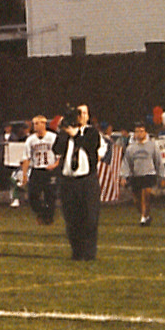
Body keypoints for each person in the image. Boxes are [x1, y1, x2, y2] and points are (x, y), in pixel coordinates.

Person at [52, 105, 103, 261]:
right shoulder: (65, 134)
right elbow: (56, 149)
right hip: (69, 181)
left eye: (83, 113)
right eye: (78, 113)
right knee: (72, 219)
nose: (80, 116)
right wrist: (64, 131)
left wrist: (76, 134)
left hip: (87, 181)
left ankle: (89, 253)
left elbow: (90, 146)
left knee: (89, 218)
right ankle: (77, 251)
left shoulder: (92, 133)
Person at [120, 121, 164, 225]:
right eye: (137, 132)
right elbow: (126, 162)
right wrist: (124, 176)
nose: (139, 134)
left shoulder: (152, 146)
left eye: (141, 131)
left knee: (146, 196)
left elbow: (158, 161)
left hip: (148, 174)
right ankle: (146, 215)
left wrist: (162, 175)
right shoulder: (131, 148)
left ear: (145, 133)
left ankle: (143, 219)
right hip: (136, 175)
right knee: (137, 200)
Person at [20, 116, 59, 225]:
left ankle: (48, 218)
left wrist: (55, 165)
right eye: (35, 124)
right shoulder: (30, 140)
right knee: (32, 196)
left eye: (38, 123)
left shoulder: (53, 137)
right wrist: (24, 174)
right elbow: (26, 158)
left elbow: (60, 154)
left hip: (49, 170)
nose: (36, 126)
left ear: (44, 124)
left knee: (50, 196)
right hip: (37, 170)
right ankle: (42, 213)